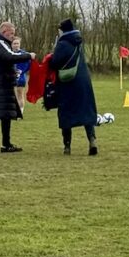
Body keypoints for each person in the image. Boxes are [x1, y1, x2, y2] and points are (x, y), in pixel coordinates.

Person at [48, 18, 99, 156]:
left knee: (66, 113)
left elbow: (55, 62)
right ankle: (92, 140)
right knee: (86, 111)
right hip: (83, 81)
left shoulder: (63, 43)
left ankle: (67, 146)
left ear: (62, 30)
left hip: (67, 82)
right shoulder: (78, 41)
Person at [0, 21, 34, 154]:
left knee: (6, 114)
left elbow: (5, 62)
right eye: (11, 34)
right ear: (4, 31)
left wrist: (12, 73)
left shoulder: (4, 43)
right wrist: (28, 56)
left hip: (4, 84)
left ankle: (6, 144)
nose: (13, 36)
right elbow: (9, 56)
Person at [11, 37, 29, 115]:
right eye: (14, 43)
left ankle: (20, 111)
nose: (16, 45)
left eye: (17, 43)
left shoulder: (24, 54)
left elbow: (28, 65)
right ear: (11, 45)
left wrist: (21, 71)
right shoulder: (9, 53)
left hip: (20, 76)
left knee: (20, 94)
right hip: (10, 76)